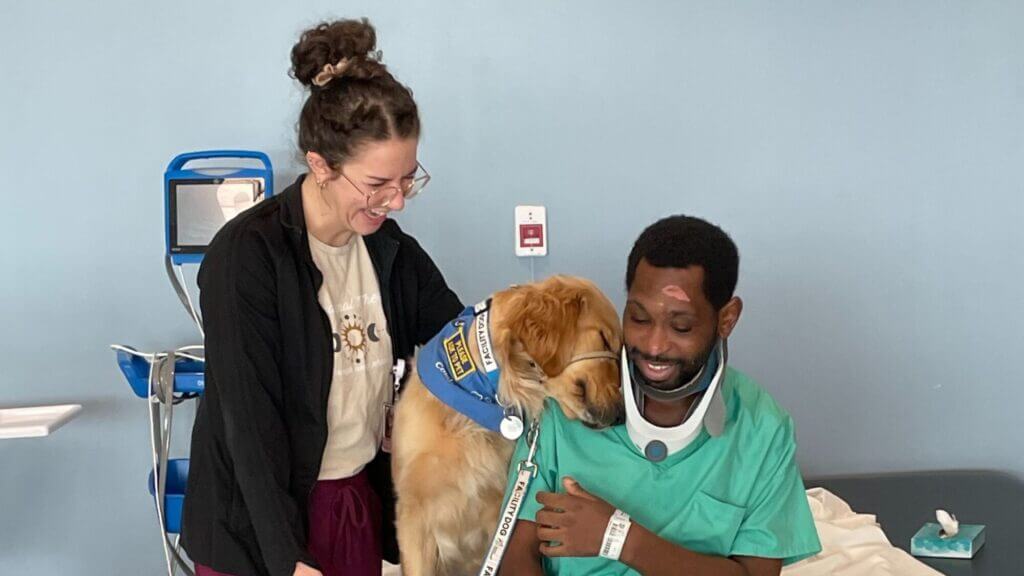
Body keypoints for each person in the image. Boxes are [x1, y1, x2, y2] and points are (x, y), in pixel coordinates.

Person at [180, 18, 462, 576]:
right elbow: (249, 428)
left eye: (408, 179)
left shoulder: (389, 251)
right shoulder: (246, 257)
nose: (397, 201)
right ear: (320, 166)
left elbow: (458, 338)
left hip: (351, 504)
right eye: (378, 184)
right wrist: (290, 560)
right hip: (259, 530)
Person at [499, 215, 821, 575]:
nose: (654, 345)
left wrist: (620, 538)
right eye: (638, 318)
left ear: (726, 319)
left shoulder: (762, 429)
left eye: (680, 325)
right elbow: (513, 556)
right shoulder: (570, 402)